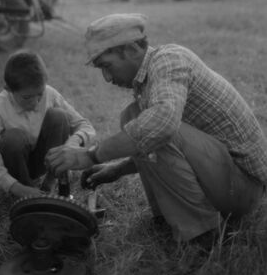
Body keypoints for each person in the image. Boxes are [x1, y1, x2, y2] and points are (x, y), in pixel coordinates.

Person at [45, 13, 267, 244]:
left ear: (131, 49)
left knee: (153, 125)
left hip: (244, 188)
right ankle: (169, 218)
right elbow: (168, 144)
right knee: (134, 116)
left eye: (107, 66)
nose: (107, 78)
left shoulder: (170, 60)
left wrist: (90, 156)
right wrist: (117, 169)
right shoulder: (150, 77)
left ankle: (204, 236)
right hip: (226, 179)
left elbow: (162, 125)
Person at [0, 49, 96, 199]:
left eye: (40, 94)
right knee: (12, 138)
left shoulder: (50, 94)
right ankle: (27, 189)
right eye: (27, 97)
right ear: (9, 89)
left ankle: (51, 180)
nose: (35, 103)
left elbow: (86, 126)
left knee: (58, 116)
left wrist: (73, 142)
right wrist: (16, 187)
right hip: (15, 164)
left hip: (45, 161)